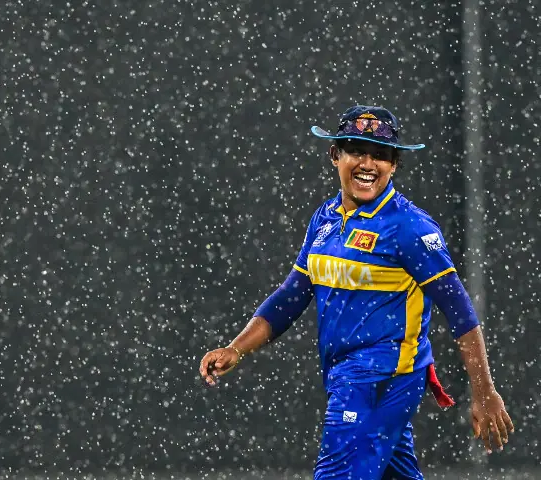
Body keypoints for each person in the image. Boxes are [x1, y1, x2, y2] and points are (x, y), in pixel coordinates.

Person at [198, 105, 514, 479]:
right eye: (356, 150)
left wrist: (484, 391)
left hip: (382, 377)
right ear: (335, 155)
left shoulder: (410, 227)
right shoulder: (325, 218)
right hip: (347, 377)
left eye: (380, 155)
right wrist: (236, 347)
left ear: (394, 164)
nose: (368, 163)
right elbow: (293, 294)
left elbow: (460, 311)